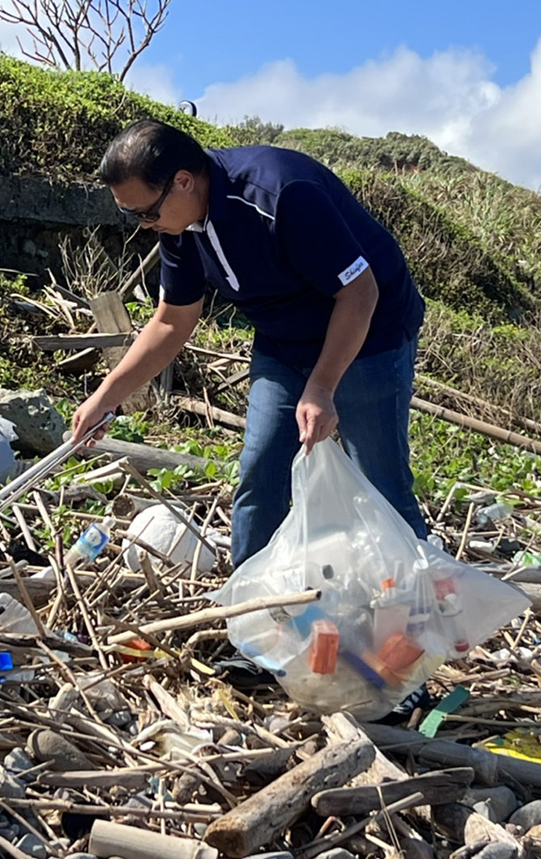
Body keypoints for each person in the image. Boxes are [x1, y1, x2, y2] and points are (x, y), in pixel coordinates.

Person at [72, 120, 428, 565]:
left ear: (183, 182)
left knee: (381, 483)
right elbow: (172, 321)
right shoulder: (179, 227)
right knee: (260, 473)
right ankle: (255, 611)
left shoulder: (279, 195)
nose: (144, 226)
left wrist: (321, 387)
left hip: (368, 332)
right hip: (284, 341)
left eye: (146, 213)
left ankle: (424, 611)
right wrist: (105, 398)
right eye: (133, 216)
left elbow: (360, 293)